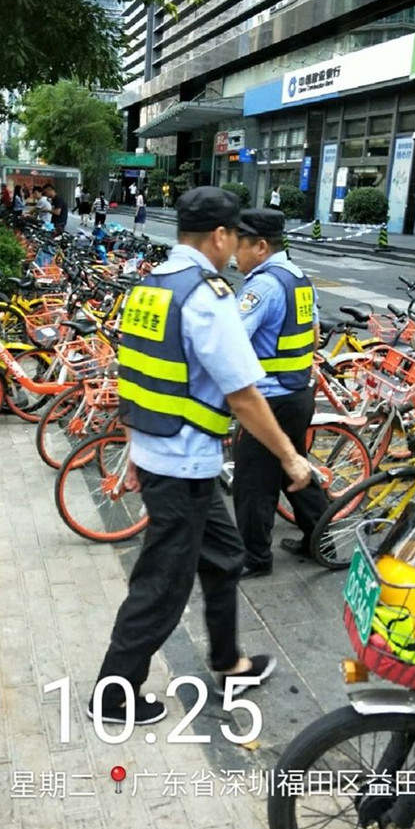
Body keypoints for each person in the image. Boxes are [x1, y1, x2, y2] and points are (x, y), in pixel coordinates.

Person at [88, 186, 311, 726]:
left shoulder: (151, 286)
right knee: (161, 585)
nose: (234, 248)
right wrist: (290, 457)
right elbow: (243, 395)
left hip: (172, 456)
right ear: (219, 235)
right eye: (234, 237)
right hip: (182, 464)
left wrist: (137, 450)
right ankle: (113, 695)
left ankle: (230, 664)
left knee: (225, 555)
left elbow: (135, 377)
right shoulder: (206, 297)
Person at [232, 208, 328, 578]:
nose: (234, 253)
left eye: (239, 244)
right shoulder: (298, 278)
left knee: (253, 481)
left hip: (268, 399)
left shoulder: (263, 287)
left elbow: (230, 343)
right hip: (298, 393)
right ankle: (321, 540)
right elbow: (315, 336)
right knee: (295, 468)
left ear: (260, 246)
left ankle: (255, 558)